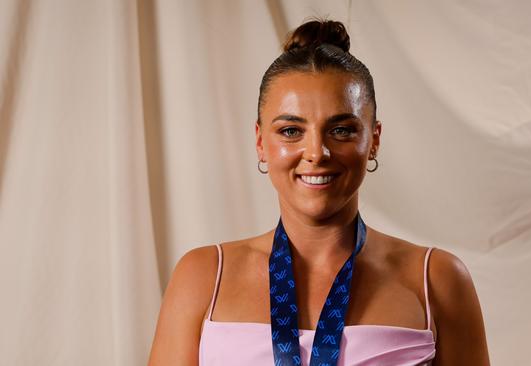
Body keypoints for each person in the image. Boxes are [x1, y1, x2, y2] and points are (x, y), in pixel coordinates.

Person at [148, 19, 490, 366]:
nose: (316, 152)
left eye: (341, 129)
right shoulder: (204, 276)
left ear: (373, 140)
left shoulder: (436, 280)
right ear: (260, 142)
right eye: (291, 130)